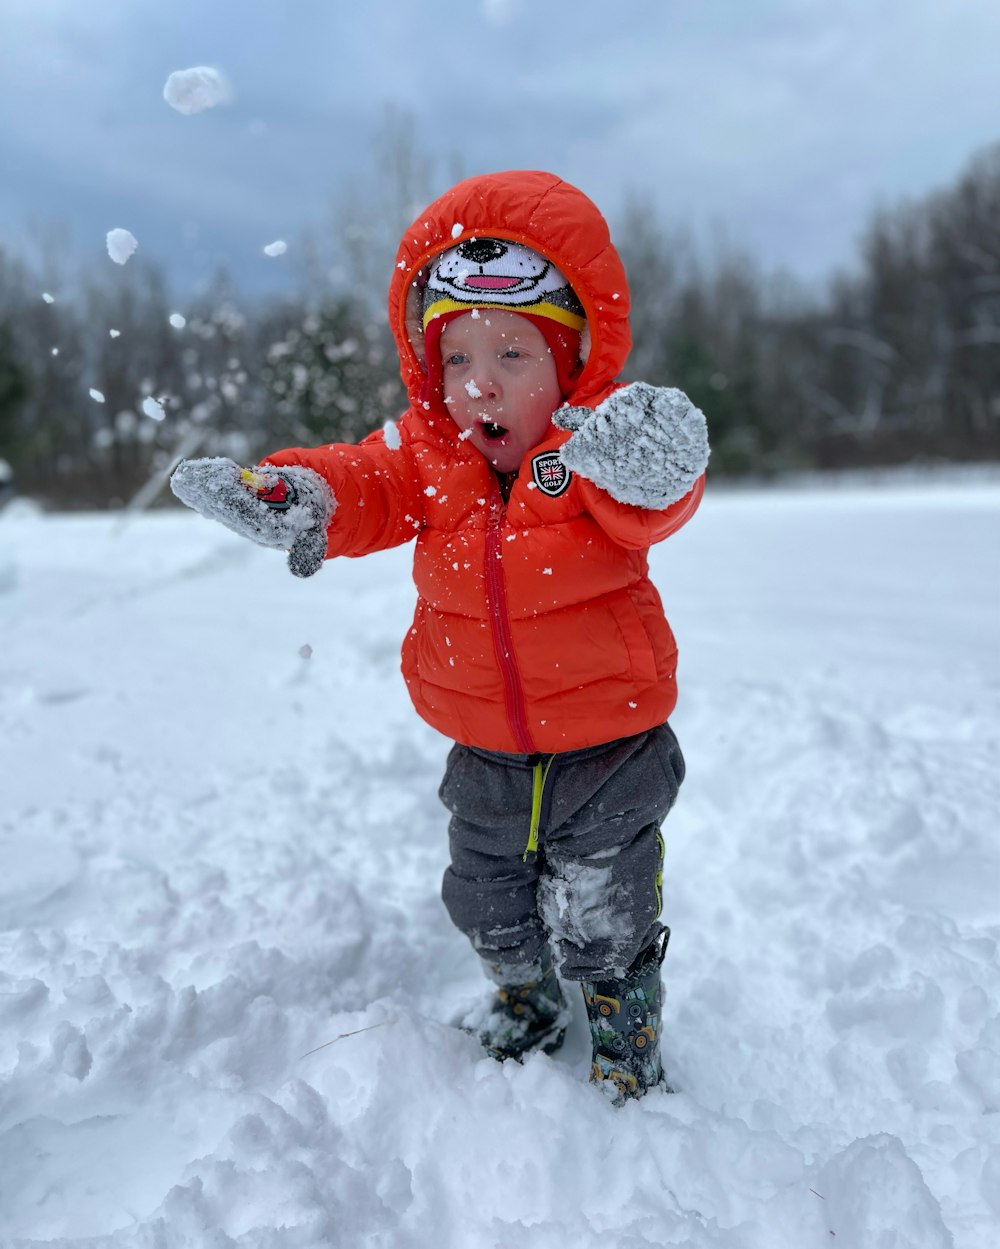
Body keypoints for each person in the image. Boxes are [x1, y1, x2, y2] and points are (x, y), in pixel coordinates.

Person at [171, 170, 709, 1102]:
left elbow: (653, 503)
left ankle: (625, 1025)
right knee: (486, 901)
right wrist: (305, 497)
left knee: (605, 910)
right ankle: (527, 998)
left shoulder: (591, 462)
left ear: (574, 363)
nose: (479, 385)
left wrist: (653, 456)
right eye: (455, 359)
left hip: (611, 744)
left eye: (512, 354)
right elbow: (366, 482)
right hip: (485, 749)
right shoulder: (433, 462)